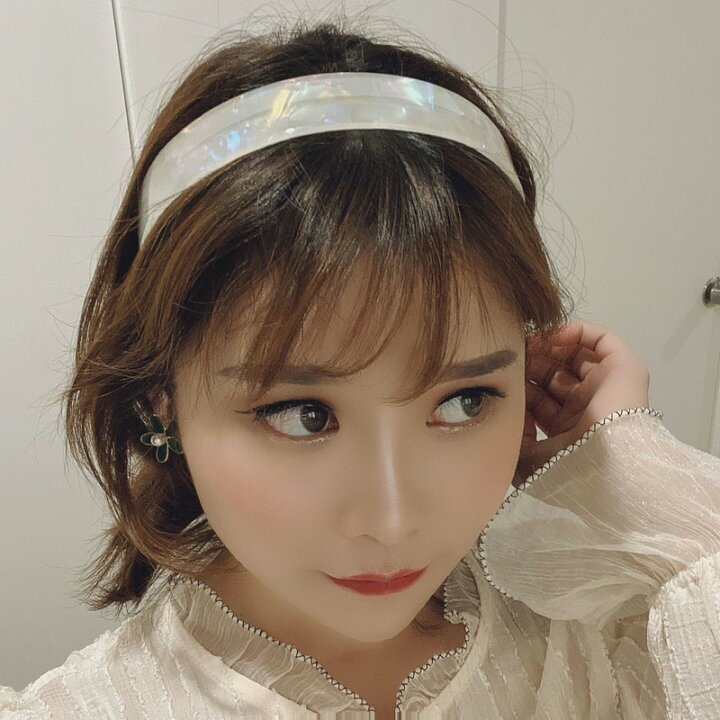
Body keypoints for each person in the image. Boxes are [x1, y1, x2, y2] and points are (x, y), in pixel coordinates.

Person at [2, 14, 719, 720]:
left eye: (465, 401)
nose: (392, 522)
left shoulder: (619, 634)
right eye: (302, 415)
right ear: (162, 398)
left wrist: (633, 475)